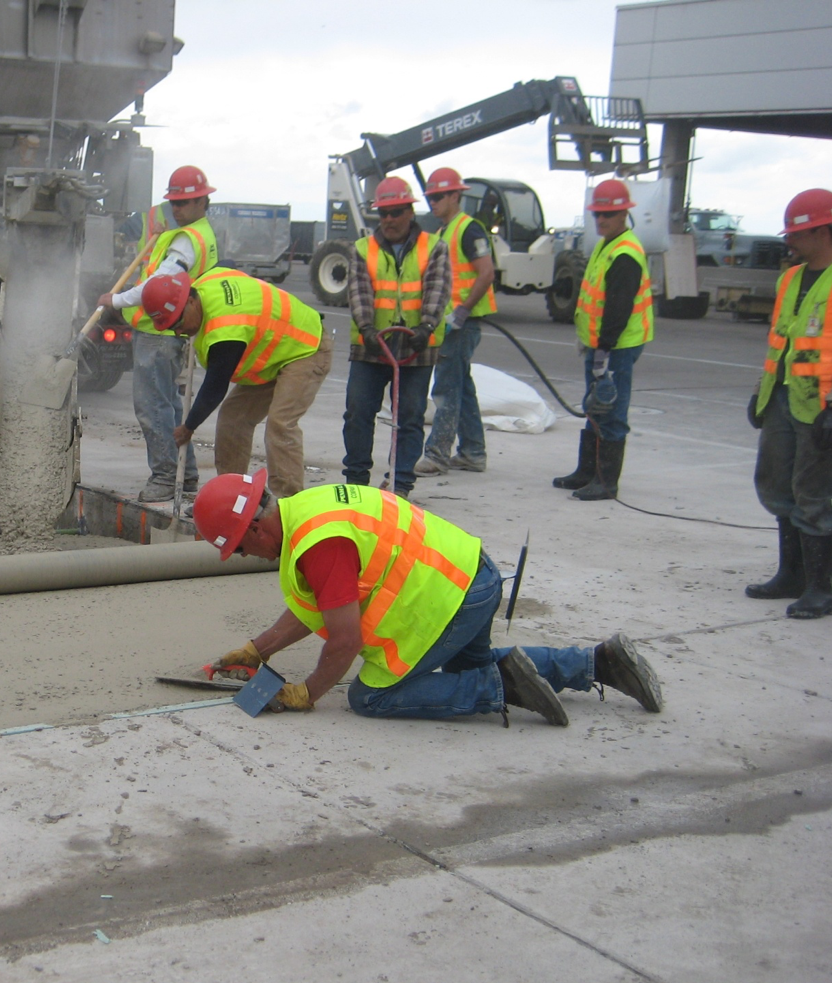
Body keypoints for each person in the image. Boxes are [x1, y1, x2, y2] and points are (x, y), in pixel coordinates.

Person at [193, 470, 663, 724]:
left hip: (453, 600)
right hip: (472, 575)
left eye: (237, 548)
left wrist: (307, 692)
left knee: (369, 698)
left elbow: (343, 641)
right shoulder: (309, 511)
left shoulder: (318, 546)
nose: (242, 556)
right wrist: (258, 650)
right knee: (465, 667)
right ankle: (599, 663)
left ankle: (498, 687)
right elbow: (314, 606)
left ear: (253, 527)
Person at [141, 268, 331, 498]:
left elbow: (215, 387)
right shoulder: (207, 281)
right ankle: (230, 496)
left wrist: (188, 427)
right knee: (233, 419)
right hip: (274, 354)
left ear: (190, 301)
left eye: (179, 323)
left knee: (281, 424)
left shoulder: (226, 329)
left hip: (306, 347)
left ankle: (288, 503)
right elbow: (229, 265)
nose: (180, 332)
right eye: (172, 329)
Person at [97, 165, 220, 503]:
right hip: (169, 331)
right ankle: (186, 472)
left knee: (153, 407)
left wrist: (116, 300)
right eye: (174, 203)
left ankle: (166, 476)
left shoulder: (187, 241)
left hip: (161, 330)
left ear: (201, 202)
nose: (177, 209)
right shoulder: (198, 233)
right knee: (169, 407)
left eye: (184, 203)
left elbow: (156, 286)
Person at [745, 188, 832, 619]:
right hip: (782, 397)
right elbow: (780, 343)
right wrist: (761, 392)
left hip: (821, 405)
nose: (790, 243)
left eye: (798, 234)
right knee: (777, 485)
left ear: (823, 230)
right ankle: (792, 575)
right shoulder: (790, 279)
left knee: (812, 493)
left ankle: (821, 587)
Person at [342, 177, 450, 497]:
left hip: (417, 348)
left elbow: (438, 290)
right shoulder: (363, 249)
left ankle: (400, 484)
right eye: (384, 213)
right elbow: (359, 293)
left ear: (410, 212)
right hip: (372, 346)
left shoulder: (435, 248)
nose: (389, 219)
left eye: (396, 212)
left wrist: (426, 327)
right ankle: (357, 482)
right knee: (358, 412)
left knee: (410, 417)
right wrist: (367, 330)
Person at [552, 178, 654, 501]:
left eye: (607, 215)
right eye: (597, 215)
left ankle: (606, 481)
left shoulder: (625, 254)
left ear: (624, 213)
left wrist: (604, 349)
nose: (600, 220)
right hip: (600, 343)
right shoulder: (606, 246)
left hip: (617, 346)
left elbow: (618, 308)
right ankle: (587, 472)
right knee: (595, 406)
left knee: (610, 408)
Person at [416, 167, 496, 475]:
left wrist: (462, 311)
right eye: (430, 198)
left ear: (455, 195)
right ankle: (473, 452)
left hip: (462, 324)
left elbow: (485, 272)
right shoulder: (442, 233)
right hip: (447, 324)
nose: (433, 203)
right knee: (461, 387)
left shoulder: (468, 230)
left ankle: (437, 454)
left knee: (447, 388)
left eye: (438, 197)